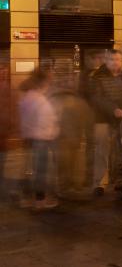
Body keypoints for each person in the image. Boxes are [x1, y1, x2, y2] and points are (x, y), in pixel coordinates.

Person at [89, 49, 122, 194]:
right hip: (102, 119)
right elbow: (97, 98)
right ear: (106, 61)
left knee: (121, 150)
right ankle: (99, 183)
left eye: (118, 59)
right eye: (112, 59)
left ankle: (119, 180)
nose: (115, 62)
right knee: (102, 151)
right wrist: (113, 109)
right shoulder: (97, 76)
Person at [19, 67, 60, 209]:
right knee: (41, 170)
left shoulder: (28, 96)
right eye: (49, 80)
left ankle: (29, 198)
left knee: (32, 169)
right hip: (41, 139)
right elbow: (45, 121)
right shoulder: (38, 99)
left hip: (31, 137)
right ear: (43, 82)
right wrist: (54, 131)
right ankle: (40, 200)